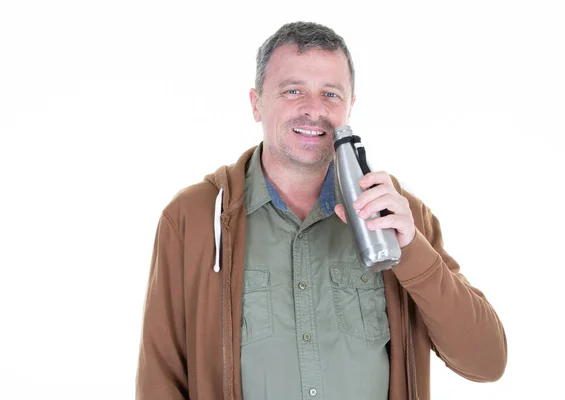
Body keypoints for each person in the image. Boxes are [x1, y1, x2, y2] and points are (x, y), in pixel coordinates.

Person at [135, 21, 507, 400]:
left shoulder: (399, 215)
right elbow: (159, 379)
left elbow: (486, 363)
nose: (314, 109)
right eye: (293, 90)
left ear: (350, 107)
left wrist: (409, 251)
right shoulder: (195, 217)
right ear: (256, 103)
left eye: (331, 94)